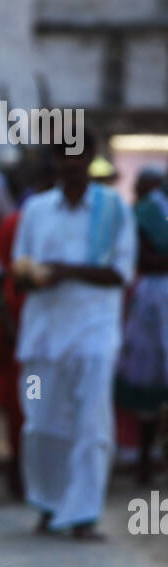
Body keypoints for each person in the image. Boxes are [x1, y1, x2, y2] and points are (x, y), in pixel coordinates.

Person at [12, 137, 137, 538]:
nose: (70, 163)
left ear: (91, 159)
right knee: (40, 423)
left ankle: (83, 515)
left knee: (91, 423)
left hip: (95, 333)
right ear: (54, 160)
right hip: (43, 335)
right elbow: (20, 271)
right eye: (63, 155)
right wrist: (32, 275)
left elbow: (120, 272)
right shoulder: (36, 209)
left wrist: (67, 271)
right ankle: (49, 505)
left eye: (78, 155)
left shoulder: (113, 207)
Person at [114, 170, 168, 485]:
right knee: (147, 382)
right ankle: (144, 462)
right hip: (152, 299)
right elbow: (142, 255)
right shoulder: (146, 210)